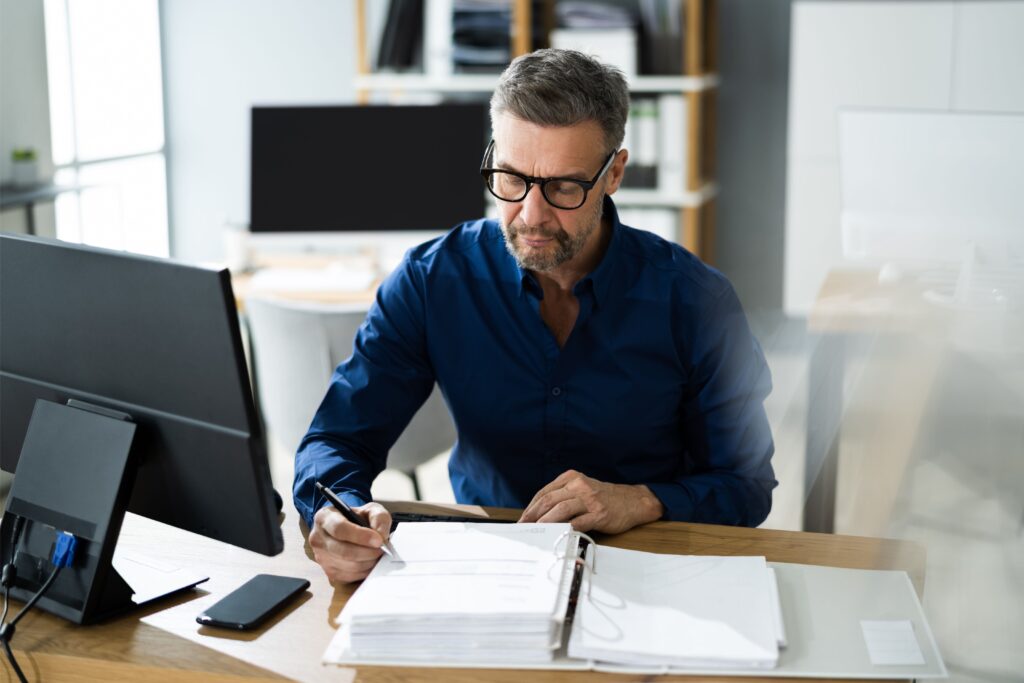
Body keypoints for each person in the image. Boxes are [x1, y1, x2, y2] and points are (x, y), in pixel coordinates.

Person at [294, 49, 776, 584]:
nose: (531, 214)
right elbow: (336, 440)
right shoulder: (433, 280)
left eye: (564, 187)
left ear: (614, 172)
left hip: (647, 564)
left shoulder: (696, 301)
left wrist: (642, 500)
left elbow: (746, 485)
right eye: (511, 177)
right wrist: (334, 512)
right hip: (486, 565)